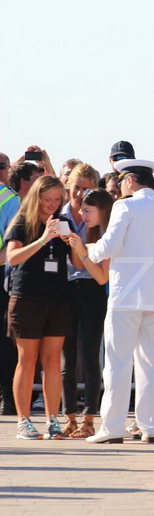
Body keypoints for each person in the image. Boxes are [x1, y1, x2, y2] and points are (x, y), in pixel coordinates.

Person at [85, 159, 154, 444]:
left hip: (126, 294)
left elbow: (109, 246)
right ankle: (151, 427)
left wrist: (90, 250)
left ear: (129, 181)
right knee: (152, 362)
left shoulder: (124, 206)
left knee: (117, 362)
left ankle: (112, 427)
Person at [4, 175, 74, 439]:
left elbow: (78, 264)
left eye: (57, 200)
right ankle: (23, 420)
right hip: (27, 298)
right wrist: (44, 239)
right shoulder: (22, 222)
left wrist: (74, 243)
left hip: (58, 298)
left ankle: (52, 420)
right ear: (36, 197)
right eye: (47, 199)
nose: (52, 205)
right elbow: (12, 257)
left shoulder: (64, 222)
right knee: (28, 359)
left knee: (53, 359)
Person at [60, 165, 108, 439]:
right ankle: (69, 418)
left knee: (90, 354)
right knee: (66, 357)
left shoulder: (100, 219)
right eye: (76, 187)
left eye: (86, 188)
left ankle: (89, 419)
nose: (79, 194)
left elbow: (94, 265)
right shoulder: (58, 215)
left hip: (92, 289)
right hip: (64, 289)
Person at [0, 152, 21, 416]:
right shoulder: (10, 198)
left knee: (5, 340)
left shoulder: (9, 198)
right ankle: (8, 398)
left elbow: (14, 243)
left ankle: (8, 398)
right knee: (5, 340)